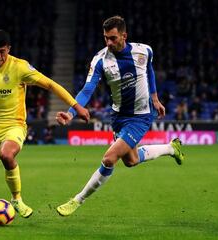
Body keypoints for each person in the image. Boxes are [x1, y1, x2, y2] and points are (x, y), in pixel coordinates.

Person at [0, 29, 90, 223]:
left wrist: (76, 106)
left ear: (8, 49)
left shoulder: (20, 67)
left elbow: (49, 84)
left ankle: (16, 199)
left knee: (6, 154)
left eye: (2, 51)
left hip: (13, 125)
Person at [55, 16, 185, 216]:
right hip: (118, 116)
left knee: (109, 158)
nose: (109, 42)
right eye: (106, 38)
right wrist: (72, 111)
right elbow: (88, 89)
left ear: (124, 36)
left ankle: (76, 200)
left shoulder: (144, 51)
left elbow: (149, 70)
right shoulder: (100, 60)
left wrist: (155, 99)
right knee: (131, 160)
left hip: (140, 117)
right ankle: (171, 148)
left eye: (113, 38)